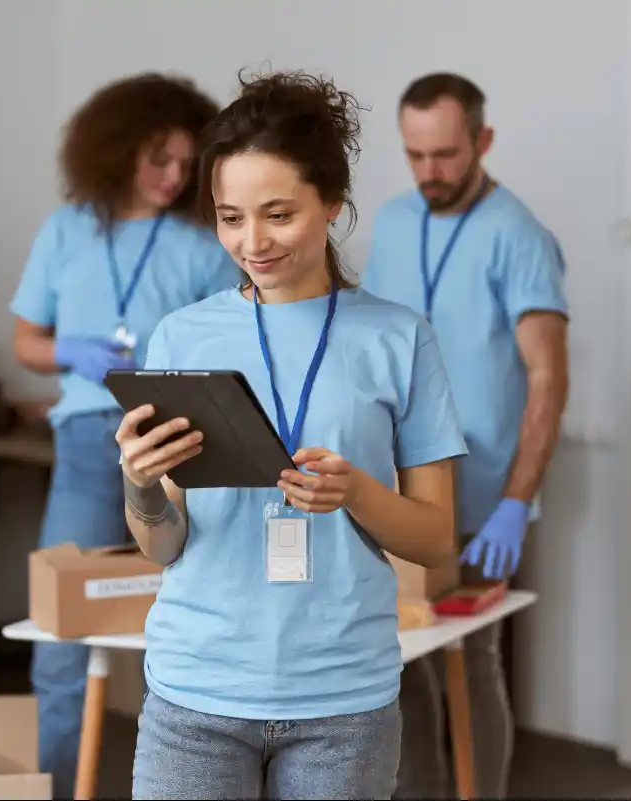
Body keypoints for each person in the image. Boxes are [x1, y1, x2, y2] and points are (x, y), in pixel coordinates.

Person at [116, 69, 468, 801]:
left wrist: (357, 492)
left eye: (278, 214)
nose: (252, 242)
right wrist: (141, 484)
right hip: (195, 691)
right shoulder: (181, 335)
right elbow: (161, 543)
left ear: (333, 201)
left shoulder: (399, 338)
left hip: (343, 701)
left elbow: (437, 540)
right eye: (229, 216)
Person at [8, 72, 238, 798]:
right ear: (115, 152)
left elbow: (227, 343)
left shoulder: (204, 240)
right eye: (157, 160)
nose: (174, 177)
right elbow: (26, 341)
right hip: (82, 444)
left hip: (172, 440)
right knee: (58, 633)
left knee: (184, 627)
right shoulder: (67, 228)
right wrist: (70, 351)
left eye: (185, 163)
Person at [362, 72, 570, 799]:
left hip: (483, 501)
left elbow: (548, 378)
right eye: (415, 156)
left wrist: (516, 503)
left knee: (471, 661)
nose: (430, 173)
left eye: (446, 154)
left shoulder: (519, 235)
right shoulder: (390, 222)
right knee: (401, 661)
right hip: (400, 491)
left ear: (482, 140)